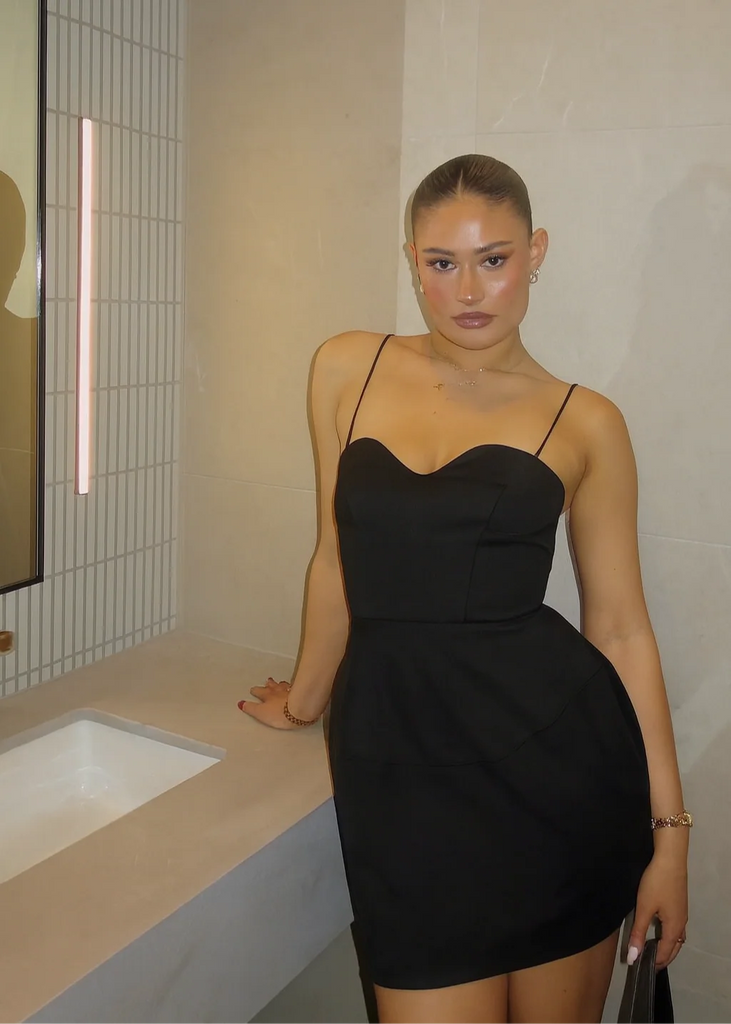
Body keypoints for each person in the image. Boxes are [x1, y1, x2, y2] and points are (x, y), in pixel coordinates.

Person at [238, 154, 691, 1024]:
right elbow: (334, 559)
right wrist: (302, 701)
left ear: (536, 252)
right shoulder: (346, 366)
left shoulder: (585, 419)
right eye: (442, 262)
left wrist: (669, 839)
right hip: (399, 779)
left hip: (557, 775)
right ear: (412, 260)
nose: (468, 290)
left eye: (494, 259)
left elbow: (621, 631)